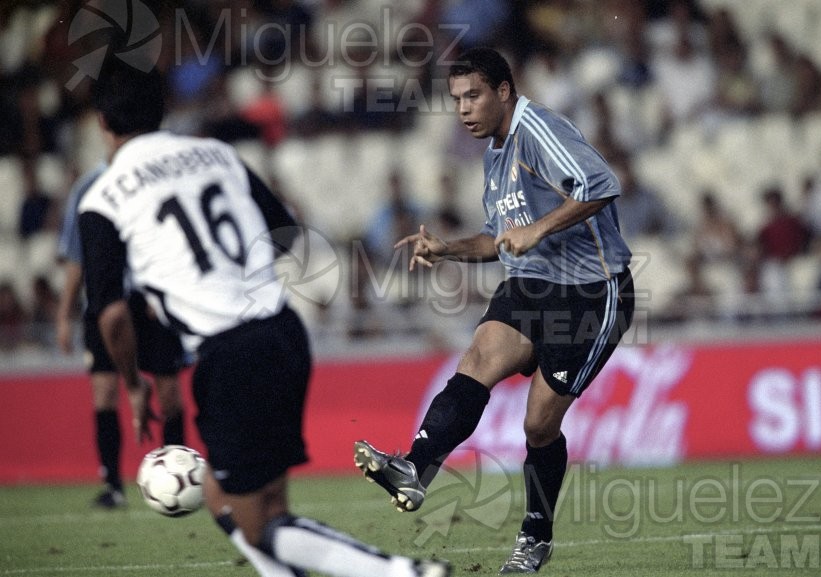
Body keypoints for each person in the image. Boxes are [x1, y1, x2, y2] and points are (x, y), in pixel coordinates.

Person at [78, 59, 448, 577]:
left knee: (260, 523)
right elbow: (287, 233)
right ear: (163, 109)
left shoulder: (102, 198)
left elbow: (111, 316)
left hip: (229, 353)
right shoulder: (217, 154)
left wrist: (133, 385)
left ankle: (400, 573)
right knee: (220, 492)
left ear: (101, 122)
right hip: (284, 333)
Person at [353, 47, 634, 574]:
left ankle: (536, 535)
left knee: (538, 427)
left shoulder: (538, 129)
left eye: (473, 95)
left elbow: (599, 185)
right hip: (532, 283)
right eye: (456, 98)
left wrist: (539, 229)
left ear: (504, 91)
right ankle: (414, 467)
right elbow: (499, 241)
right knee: (479, 357)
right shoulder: (493, 154)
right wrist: (447, 249)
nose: (462, 109)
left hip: (592, 293)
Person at [56, 163, 187, 509]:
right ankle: (113, 485)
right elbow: (75, 255)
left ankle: (177, 475)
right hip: (101, 300)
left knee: (170, 393)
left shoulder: (158, 177)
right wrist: (64, 314)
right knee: (104, 391)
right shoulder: (88, 186)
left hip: (150, 302)